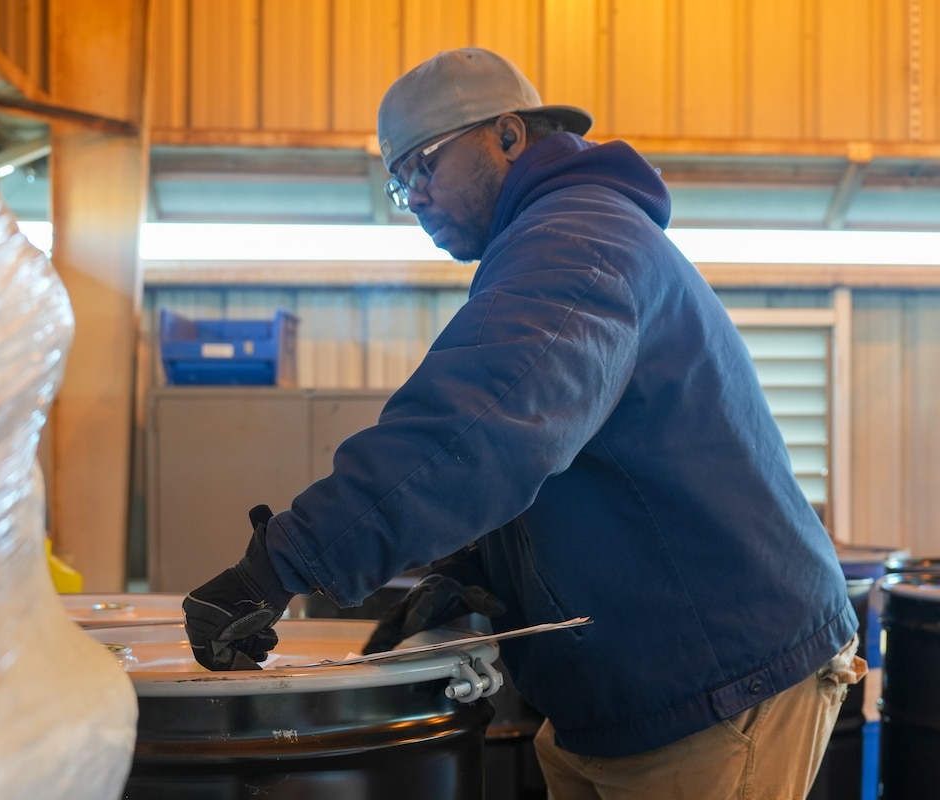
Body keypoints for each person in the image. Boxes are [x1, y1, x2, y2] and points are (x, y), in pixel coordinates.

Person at [182, 47, 865, 798]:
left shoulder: (577, 245)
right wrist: (478, 567)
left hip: (717, 683)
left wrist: (278, 568)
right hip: (621, 692)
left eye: (423, 167)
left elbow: (473, 428)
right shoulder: (551, 244)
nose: (414, 199)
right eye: (398, 181)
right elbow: (559, 457)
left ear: (507, 136)